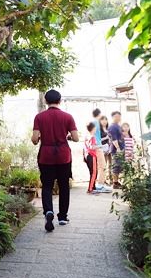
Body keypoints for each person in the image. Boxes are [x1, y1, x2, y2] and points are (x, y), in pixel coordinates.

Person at [32, 89, 79, 232]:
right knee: (64, 185)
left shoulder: (39, 117)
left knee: (47, 185)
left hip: (46, 155)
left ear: (46, 101)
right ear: (60, 101)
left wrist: (41, 138)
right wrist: (67, 137)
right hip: (63, 155)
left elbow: (34, 140)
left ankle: (48, 212)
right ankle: (63, 217)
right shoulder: (68, 117)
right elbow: (76, 138)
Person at [91, 109, 110, 191]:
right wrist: (96, 145)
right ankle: (100, 185)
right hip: (97, 147)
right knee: (103, 166)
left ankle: (100, 184)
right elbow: (93, 135)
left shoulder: (94, 123)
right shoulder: (96, 123)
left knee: (101, 166)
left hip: (98, 146)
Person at [108, 111, 125, 189]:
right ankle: (115, 183)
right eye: (116, 116)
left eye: (119, 116)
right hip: (116, 150)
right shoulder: (112, 127)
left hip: (120, 149)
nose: (118, 118)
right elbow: (114, 139)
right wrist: (118, 148)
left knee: (119, 166)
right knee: (116, 166)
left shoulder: (118, 125)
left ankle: (117, 182)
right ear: (112, 117)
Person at [83, 122, 101, 195]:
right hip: (92, 155)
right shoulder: (92, 137)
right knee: (94, 173)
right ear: (93, 128)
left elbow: (85, 147)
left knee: (92, 172)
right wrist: (100, 146)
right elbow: (92, 147)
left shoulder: (87, 136)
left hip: (87, 155)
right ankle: (90, 189)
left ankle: (93, 187)